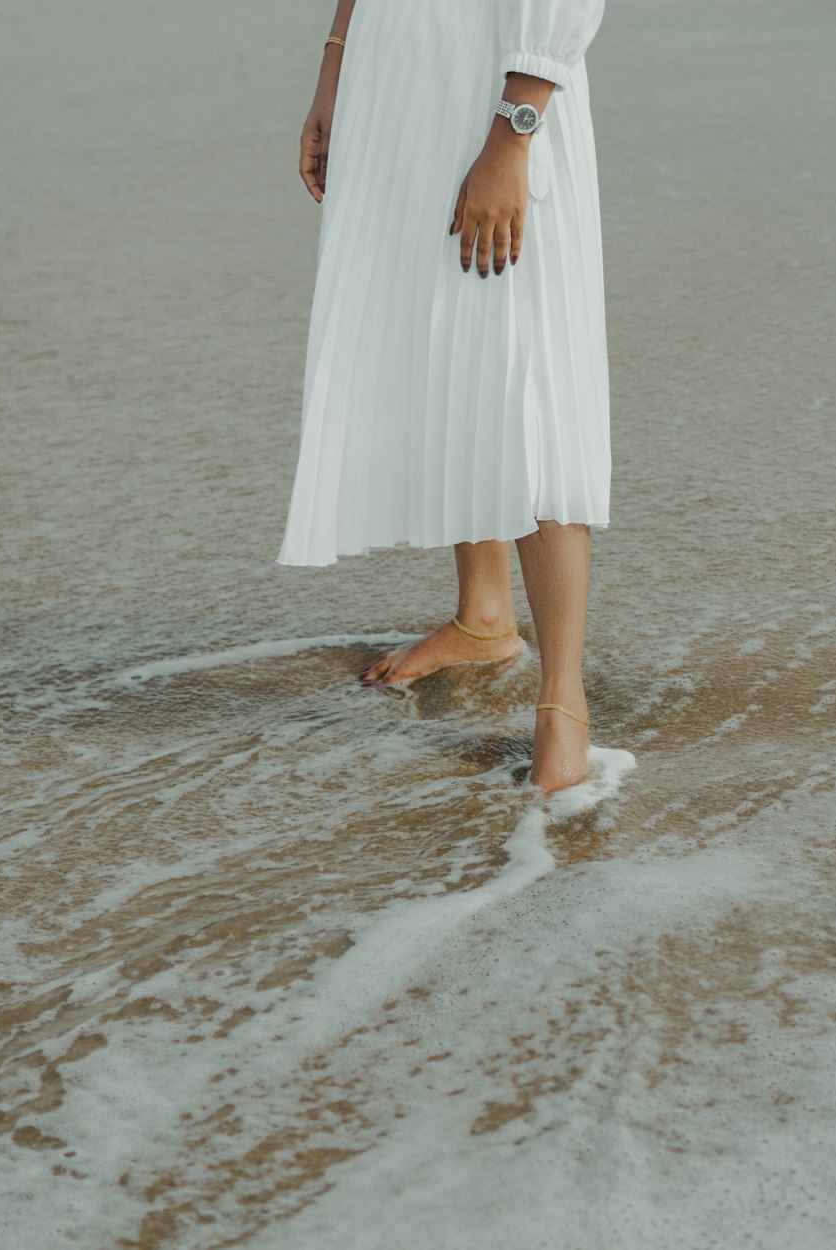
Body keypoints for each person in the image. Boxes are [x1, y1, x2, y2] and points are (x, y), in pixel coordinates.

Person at [276, 0, 611, 793]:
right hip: (396, 81)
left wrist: (510, 138)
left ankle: (563, 700)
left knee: (529, 373)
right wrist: (335, 69)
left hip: (495, 92)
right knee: (447, 348)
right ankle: (484, 616)